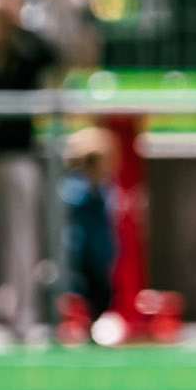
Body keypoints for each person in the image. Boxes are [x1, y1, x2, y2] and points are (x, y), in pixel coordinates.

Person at [0, 0, 56, 343]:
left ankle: (23, 319)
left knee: (21, 238)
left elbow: (60, 55)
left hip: (18, 156)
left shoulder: (29, 48)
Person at [59, 127, 118, 326]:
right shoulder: (77, 188)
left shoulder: (103, 187)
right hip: (81, 253)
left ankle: (90, 325)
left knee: (101, 294)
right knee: (81, 293)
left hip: (98, 254)